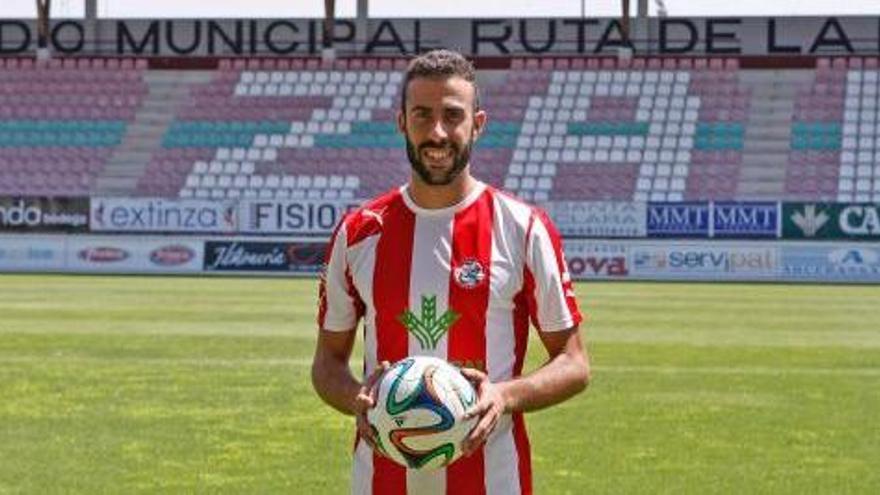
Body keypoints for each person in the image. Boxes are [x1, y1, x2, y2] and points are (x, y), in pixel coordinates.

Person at [312, 49, 591, 495]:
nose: (437, 132)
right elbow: (327, 364)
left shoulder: (523, 228)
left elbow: (574, 362)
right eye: (422, 115)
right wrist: (357, 400)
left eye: (452, 115)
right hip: (381, 483)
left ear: (477, 124)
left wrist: (504, 395)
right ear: (401, 121)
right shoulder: (360, 233)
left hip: (494, 481)